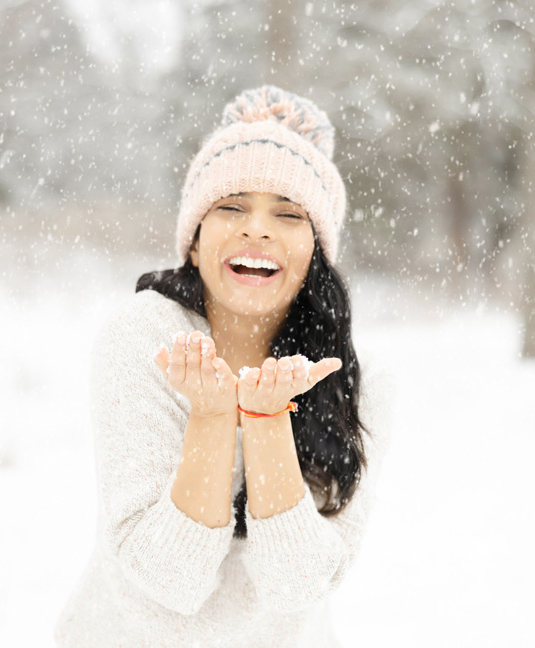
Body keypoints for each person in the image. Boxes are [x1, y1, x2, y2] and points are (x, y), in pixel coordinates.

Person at [55, 85, 392, 647]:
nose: (256, 229)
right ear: (194, 239)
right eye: (231, 206)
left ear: (316, 250)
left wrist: (266, 424)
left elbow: (297, 587)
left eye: (288, 215)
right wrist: (213, 416)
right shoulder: (143, 339)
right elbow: (169, 579)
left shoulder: (359, 381)